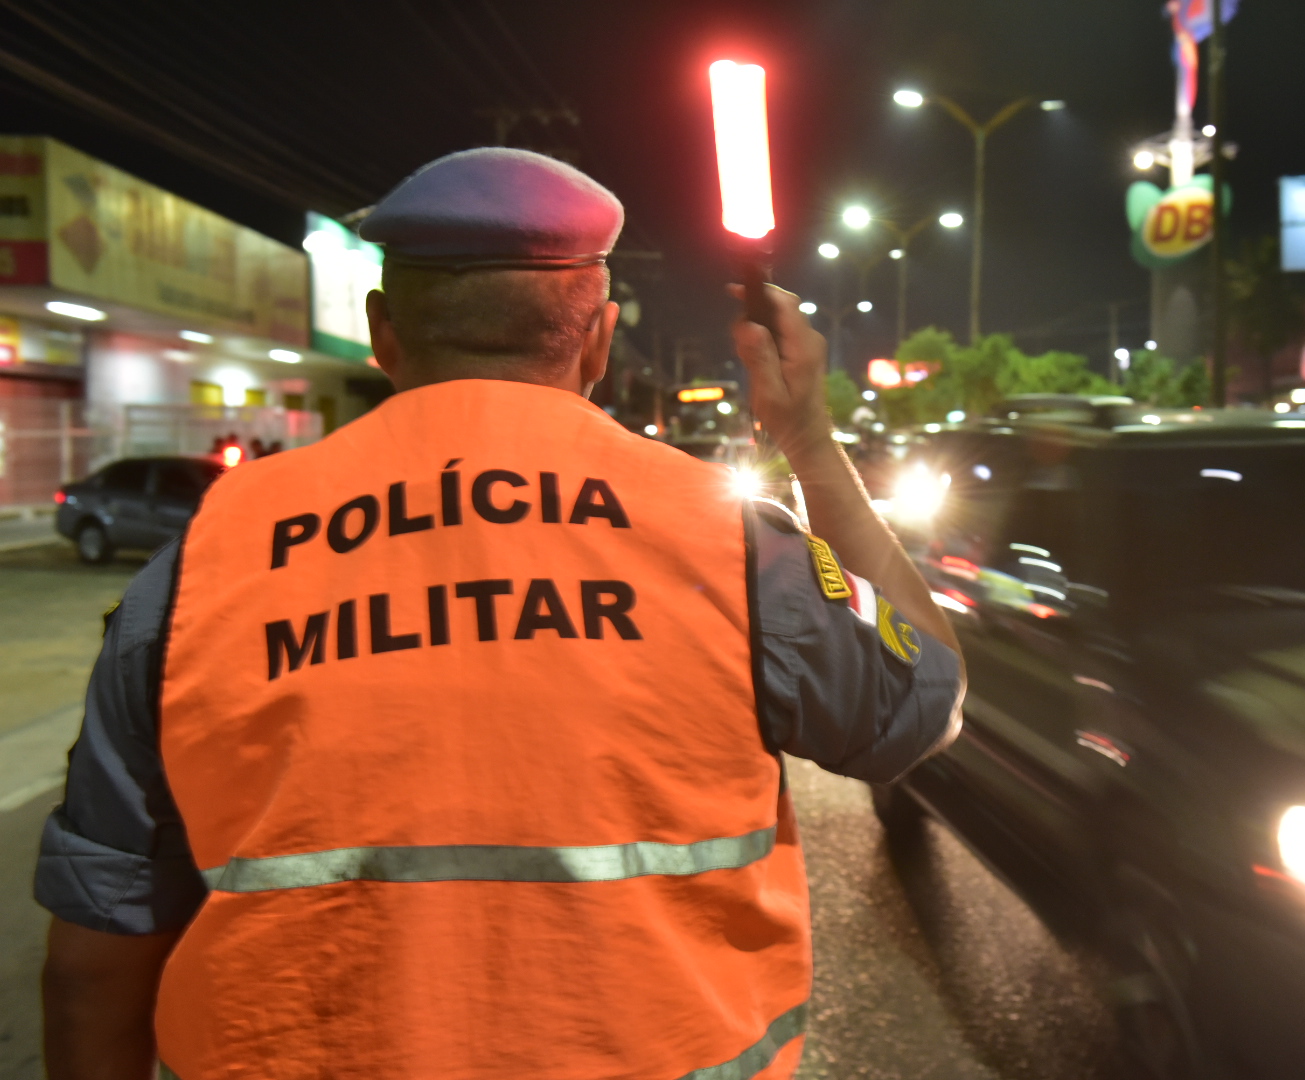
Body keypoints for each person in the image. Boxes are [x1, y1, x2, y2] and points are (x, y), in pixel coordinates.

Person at [36, 147, 963, 1080]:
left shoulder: (204, 561)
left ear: (381, 330)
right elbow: (921, 705)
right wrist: (807, 436)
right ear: (599, 341)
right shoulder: (724, 541)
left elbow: (92, 965)